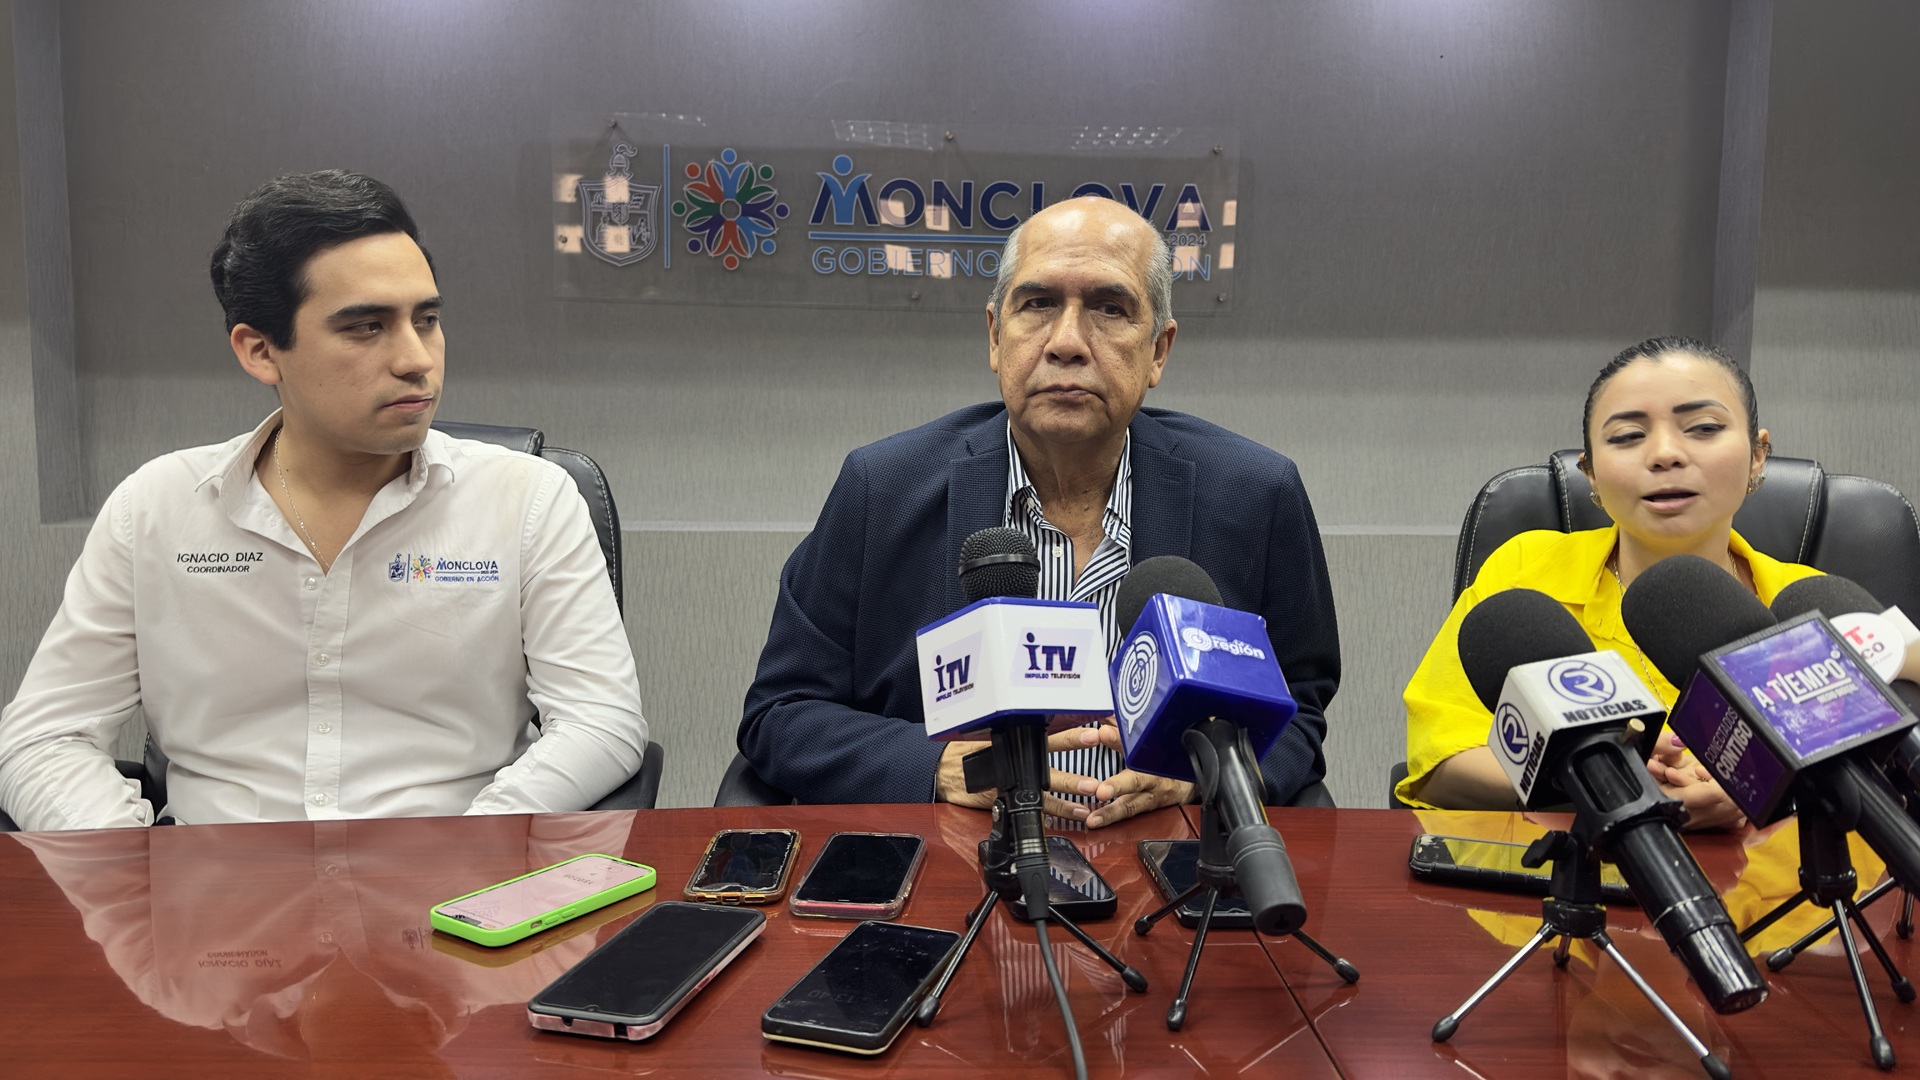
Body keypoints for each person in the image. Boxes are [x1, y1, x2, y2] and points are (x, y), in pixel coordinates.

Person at [0, 171, 647, 830]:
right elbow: (42, 739)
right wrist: (131, 870)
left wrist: (473, 848)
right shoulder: (156, 509)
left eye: (427, 320)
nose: (417, 359)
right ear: (260, 351)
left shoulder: (527, 499)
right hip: (215, 880)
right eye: (366, 327)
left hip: (456, 871)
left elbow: (602, 719)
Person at [739, 196, 1340, 826]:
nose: (1067, 343)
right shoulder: (881, 490)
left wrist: (1202, 775)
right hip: (957, 857)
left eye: (1110, 309)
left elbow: (1297, 709)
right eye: (1038, 304)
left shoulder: (1254, 496)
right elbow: (781, 714)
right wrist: (934, 766)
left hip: (1166, 853)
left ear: (1158, 351)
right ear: (996, 336)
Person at [1398, 336, 1819, 827]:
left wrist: (1755, 785)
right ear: (1590, 473)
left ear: (1758, 455)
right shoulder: (1527, 573)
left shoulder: (1807, 609)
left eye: (1704, 428)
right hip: (1570, 861)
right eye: (1627, 436)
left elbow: (1864, 779)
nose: (1665, 454)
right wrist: (1602, 779)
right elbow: (1440, 761)